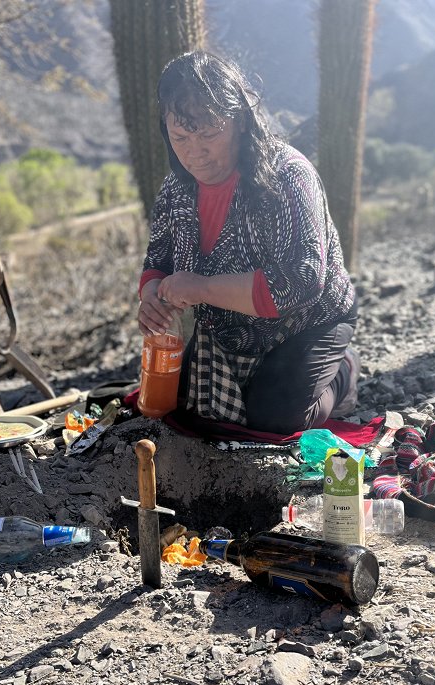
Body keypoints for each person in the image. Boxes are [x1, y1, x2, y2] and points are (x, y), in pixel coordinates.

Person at [137, 50, 360, 434]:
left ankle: (343, 371)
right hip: (228, 327)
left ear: (240, 120)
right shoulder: (177, 187)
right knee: (177, 403)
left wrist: (202, 288)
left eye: (208, 133)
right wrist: (152, 296)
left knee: (272, 419)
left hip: (307, 322)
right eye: (180, 137)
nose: (194, 151)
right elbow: (159, 257)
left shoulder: (288, 175)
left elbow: (302, 280)